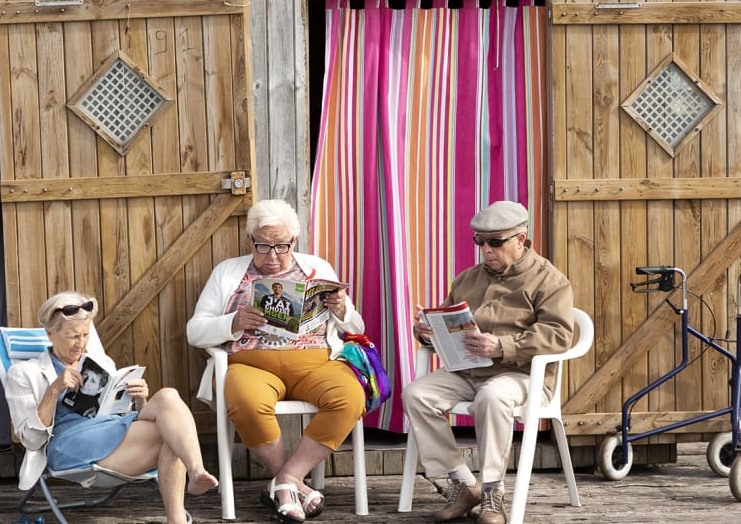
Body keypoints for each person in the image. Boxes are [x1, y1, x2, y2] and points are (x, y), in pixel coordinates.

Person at [186, 198, 365, 524]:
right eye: (263, 246)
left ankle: (285, 480)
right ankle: (292, 485)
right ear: (250, 240)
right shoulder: (227, 271)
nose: (272, 256)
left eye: (281, 246)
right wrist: (233, 322)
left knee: (351, 395)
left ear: (293, 241)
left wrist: (341, 310)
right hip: (251, 366)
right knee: (243, 397)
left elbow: (356, 328)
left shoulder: (318, 267)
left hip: (316, 364)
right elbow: (194, 331)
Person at [402, 200, 574, 524]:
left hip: (521, 376)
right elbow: (446, 322)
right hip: (468, 371)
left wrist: (502, 346)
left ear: (521, 240)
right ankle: (464, 482)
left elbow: (560, 335)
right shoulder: (467, 279)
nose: (486, 250)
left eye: (495, 242)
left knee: (492, 397)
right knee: (416, 395)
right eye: (479, 241)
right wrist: (426, 331)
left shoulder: (549, 280)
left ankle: (494, 493)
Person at [4, 292, 218, 524]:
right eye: (73, 336)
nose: (81, 343)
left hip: (110, 431)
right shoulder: (24, 373)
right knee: (172, 433)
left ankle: (194, 475)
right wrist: (54, 389)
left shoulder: (101, 364)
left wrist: (139, 400)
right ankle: (185, 497)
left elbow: (119, 414)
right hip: (68, 444)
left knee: (168, 396)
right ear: (50, 334)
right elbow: (30, 440)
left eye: (85, 334)